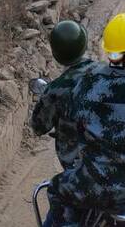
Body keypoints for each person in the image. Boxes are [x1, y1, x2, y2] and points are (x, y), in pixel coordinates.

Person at [47, 13, 125, 226]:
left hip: (90, 186)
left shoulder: (82, 86)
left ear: (108, 50)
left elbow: (67, 122)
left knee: (56, 189)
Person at [31, 20, 98, 169]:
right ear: (84, 45)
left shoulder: (55, 90)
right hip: (113, 159)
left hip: (77, 170)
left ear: (56, 54)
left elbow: (38, 126)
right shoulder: (107, 73)